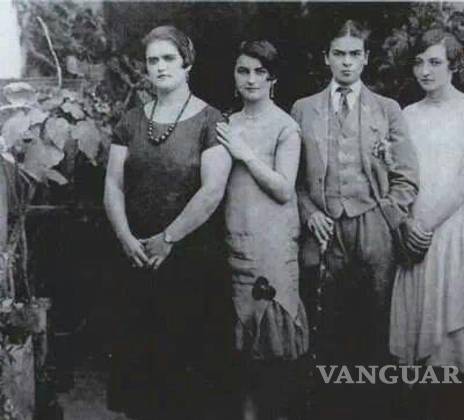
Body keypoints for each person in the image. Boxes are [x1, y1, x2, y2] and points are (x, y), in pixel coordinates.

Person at [291, 20, 419, 419]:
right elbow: (293, 180)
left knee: (375, 323)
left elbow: (407, 177)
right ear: (326, 58)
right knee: (327, 324)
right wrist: (310, 213)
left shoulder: (387, 109)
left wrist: (386, 216)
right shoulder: (303, 109)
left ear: (366, 59)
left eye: (354, 54)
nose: (346, 62)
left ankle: (374, 409)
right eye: (339, 54)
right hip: (325, 229)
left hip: (373, 226)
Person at [103, 26, 232, 419]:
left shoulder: (211, 120)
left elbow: (212, 190)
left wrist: (169, 237)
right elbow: (113, 185)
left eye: (168, 58)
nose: (159, 67)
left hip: (191, 260)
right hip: (138, 258)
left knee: (188, 374)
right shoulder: (130, 122)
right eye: (152, 60)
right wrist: (126, 238)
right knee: (142, 373)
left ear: (187, 63)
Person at [388, 29, 464, 418]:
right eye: (419, 62)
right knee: (414, 337)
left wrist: (424, 226)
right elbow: (399, 176)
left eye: (435, 62)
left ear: (453, 66)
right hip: (412, 232)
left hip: (447, 231)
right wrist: (407, 224)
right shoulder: (407, 114)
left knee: (449, 343)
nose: (425, 71)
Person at [215, 40, 307, 420]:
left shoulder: (285, 126)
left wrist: (246, 154)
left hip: (272, 246)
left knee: (273, 348)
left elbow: (284, 189)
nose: (251, 79)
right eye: (243, 71)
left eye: (260, 72)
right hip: (235, 242)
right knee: (242, 353)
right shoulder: (226, 124)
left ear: (273, 79)